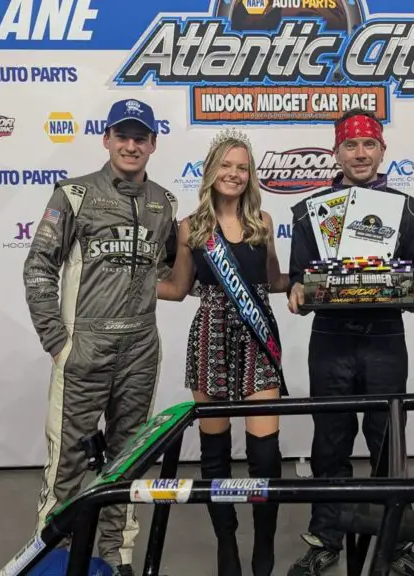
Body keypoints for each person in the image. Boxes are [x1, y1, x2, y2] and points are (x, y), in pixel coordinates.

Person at [23, 98, 178, 576]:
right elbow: (38, 266)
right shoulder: (73, 194)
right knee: (68, 459)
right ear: (107, 139)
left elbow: (169, 272)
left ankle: (117, 556)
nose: (131, 146)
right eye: (123, 136)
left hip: (140, 349)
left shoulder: (165, 202)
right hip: (85, 347)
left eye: (141, 137)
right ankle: (52, 555)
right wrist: (57, 340)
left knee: (127, 460)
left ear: (153, 144)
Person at [286, 108, 414, 576]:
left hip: (385, 336)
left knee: (387, 440)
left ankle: (396, 541)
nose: (361, 154)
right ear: (337, 153)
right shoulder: (310, 210)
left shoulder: (408, 209)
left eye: (369, 145)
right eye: (351, 145)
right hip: (329, 337)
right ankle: (327, 537)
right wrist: (297, 292)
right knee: (330, 441)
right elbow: (298, 277)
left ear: (382, 151)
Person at [157, 128, 289, 576]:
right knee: (215, 452)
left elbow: (273, 281)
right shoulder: (191, 228)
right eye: (226, 166)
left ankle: (264, 548)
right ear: (212, 172)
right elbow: (176, 288)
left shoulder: (263, 223)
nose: (233, 174)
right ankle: (227, 540)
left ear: (249, 176)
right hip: (211, 335)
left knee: (265, 456)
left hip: (257, 338)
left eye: (242, 167)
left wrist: (319, 281)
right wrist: (123, 284)